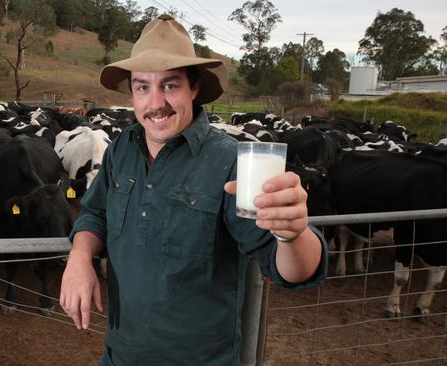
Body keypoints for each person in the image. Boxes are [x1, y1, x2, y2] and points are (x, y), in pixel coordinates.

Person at [60, 14, 328, 366]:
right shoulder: (121, 148)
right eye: (142, 87)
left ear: (195, 88)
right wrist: (79, 258)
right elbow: (95, 213)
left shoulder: (231, 161)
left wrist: (293, 234)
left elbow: (291, 271)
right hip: (119, 356)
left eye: (169, 85)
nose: (154, 103)